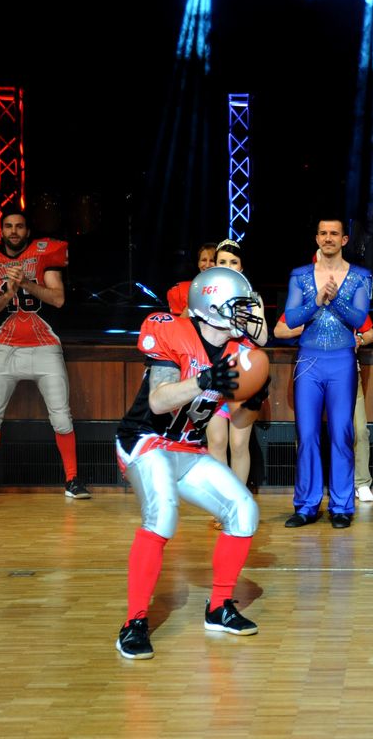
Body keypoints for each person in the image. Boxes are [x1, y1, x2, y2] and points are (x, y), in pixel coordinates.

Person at [113, 265, 271, 660]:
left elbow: (238, 421)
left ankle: (218, 608)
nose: (246, 315)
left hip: (187, 447)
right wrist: (204, 380)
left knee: (244, 510)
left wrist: (253, 399)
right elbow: (158, 401)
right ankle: (134, 622)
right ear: (212, 306)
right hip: (145, 439)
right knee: (162, 516)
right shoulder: (173, 331)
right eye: (238, 307)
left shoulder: (239, 351)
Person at [0, 208, 91, 500]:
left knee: (61, 417)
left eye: (20, 226)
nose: (14, 231)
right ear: (1, 230)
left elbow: (58, 299)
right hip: (7, 345)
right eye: (9, 226)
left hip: (44, 345)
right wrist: (8, 292)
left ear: (28, 231)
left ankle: (73, 480)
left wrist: (25, 283)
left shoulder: (44, 257)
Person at [281, 218, 372, 529]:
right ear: (317, 238)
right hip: (309, 361)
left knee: (342, 433)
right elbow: (291, 317)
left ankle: (342, 506)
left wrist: (335, 301)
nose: (328, 238)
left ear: (344, 239)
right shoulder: (300, 275)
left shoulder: (360, 276)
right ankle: (306, 506)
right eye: (323, 233)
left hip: (342, 362)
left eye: (334, 233)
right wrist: (317, 301)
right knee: (307, 434)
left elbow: (359, 319)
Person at [205, 241, 269, 492]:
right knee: (216, 442)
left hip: (244, 376)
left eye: (233, 262)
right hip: (214, 373)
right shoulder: (205, 296)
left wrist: (244, 318)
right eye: (223, 262)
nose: (228, 266)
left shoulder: (252, 298)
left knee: (239, 444)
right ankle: (222, 501)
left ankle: (237, 501)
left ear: (241, 268)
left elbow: (262, 338)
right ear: (215, 265)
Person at [354, 317, 373, 502]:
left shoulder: (350, 303)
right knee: (310, 431)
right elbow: (280, 330)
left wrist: (360, 339)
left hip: (349, 371)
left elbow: (370, 333)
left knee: (360, 429)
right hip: (313, 370)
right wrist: (308, 328)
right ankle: (310, 485)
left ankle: (361, 483)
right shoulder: (308, 303)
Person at [166, 242, 217, 315]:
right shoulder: (179, 290)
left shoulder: (228, 289)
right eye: (204, 260)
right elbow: (179, 321)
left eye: (212, 261)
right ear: (198, 263)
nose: (207, 265)